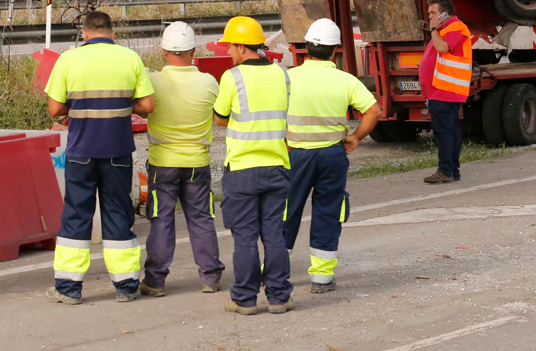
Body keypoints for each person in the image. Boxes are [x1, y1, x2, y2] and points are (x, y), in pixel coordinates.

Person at [45, 11, 155, 305]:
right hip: (118, 151)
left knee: (76, 216)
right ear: (112, 32)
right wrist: (121, 103)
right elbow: (147, 104)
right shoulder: (129, 58)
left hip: (81, 152)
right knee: (118, 214)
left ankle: (68, 289)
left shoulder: (68, 59)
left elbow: (55, 109)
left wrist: (79, 106)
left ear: (84, 33)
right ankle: (127, 286)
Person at [283, 18, 382, 293]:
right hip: (331, 155)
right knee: (328, 212)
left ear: (306, 48)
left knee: (286, 211)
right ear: (335, 51)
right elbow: (374, 111)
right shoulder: (345, 80)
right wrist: (356, 137)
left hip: (295, 155)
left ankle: (277, 271)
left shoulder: (288, 77)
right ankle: (322, 278)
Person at [212, 16, 295, 315]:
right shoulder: (282, 74)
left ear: (240, 46)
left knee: (245, 237)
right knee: (273, 234)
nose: (228, 51)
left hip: (243, 168)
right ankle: (279, 297)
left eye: (230, 46)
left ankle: (244, 299)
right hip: (276, 165)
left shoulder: (232, 77)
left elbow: (220, 117)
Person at [139, 22, 224, 297]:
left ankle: (155, 281)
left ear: (164, 50)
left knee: (161, 219)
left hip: (162, 162)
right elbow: (222, 116)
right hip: (197, 163)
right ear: (193, 50)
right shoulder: (209, 82)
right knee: (201, 218)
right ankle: (210, 277)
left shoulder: (152, 81)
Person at [419, 0, 471, 184]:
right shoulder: (445, 30)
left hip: (446, 90)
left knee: (444, 131)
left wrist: (434, 30)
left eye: (433, 13)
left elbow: (442, 48)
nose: (430, 17)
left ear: (444, 14)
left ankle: (445, 170)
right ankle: (452, 170)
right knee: (449, 130)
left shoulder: (455, 28)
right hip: (440, 91)